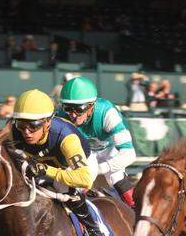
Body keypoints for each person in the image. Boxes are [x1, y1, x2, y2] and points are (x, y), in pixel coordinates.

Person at [9, 89, 104, 236]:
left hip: (78, 168)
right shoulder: (14, 133)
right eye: (21, 125)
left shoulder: (67, 138)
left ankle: (93, 231)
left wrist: (46, 170)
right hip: (44, 165)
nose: (26, 132)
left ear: (47, 123)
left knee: (63, 188)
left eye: (33, 126)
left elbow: (84, 177)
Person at [57, 76, 138, 207]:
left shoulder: (107, 113)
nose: (72, 114)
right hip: (83, 152)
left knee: (115, 176)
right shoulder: (60, 115)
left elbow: (129, 155)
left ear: (91, 106)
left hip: (108, 149)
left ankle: (135, 208)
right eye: (68, 108)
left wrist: (99, 168)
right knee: (74, 181)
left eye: (79, 109)